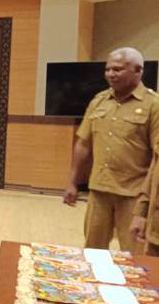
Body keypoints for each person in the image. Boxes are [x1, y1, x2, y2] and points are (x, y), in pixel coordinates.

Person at [64, 47, 159, 253]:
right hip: (99, 191)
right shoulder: (99, 101)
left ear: (138, 71)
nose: (110, 74)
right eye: (107, 69)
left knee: (135, 258)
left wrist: (146, 204)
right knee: (92, 252)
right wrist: (72, 181)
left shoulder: (154, 105)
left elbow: (156, 158)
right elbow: (83, 143)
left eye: (117, 70)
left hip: (133, 194)